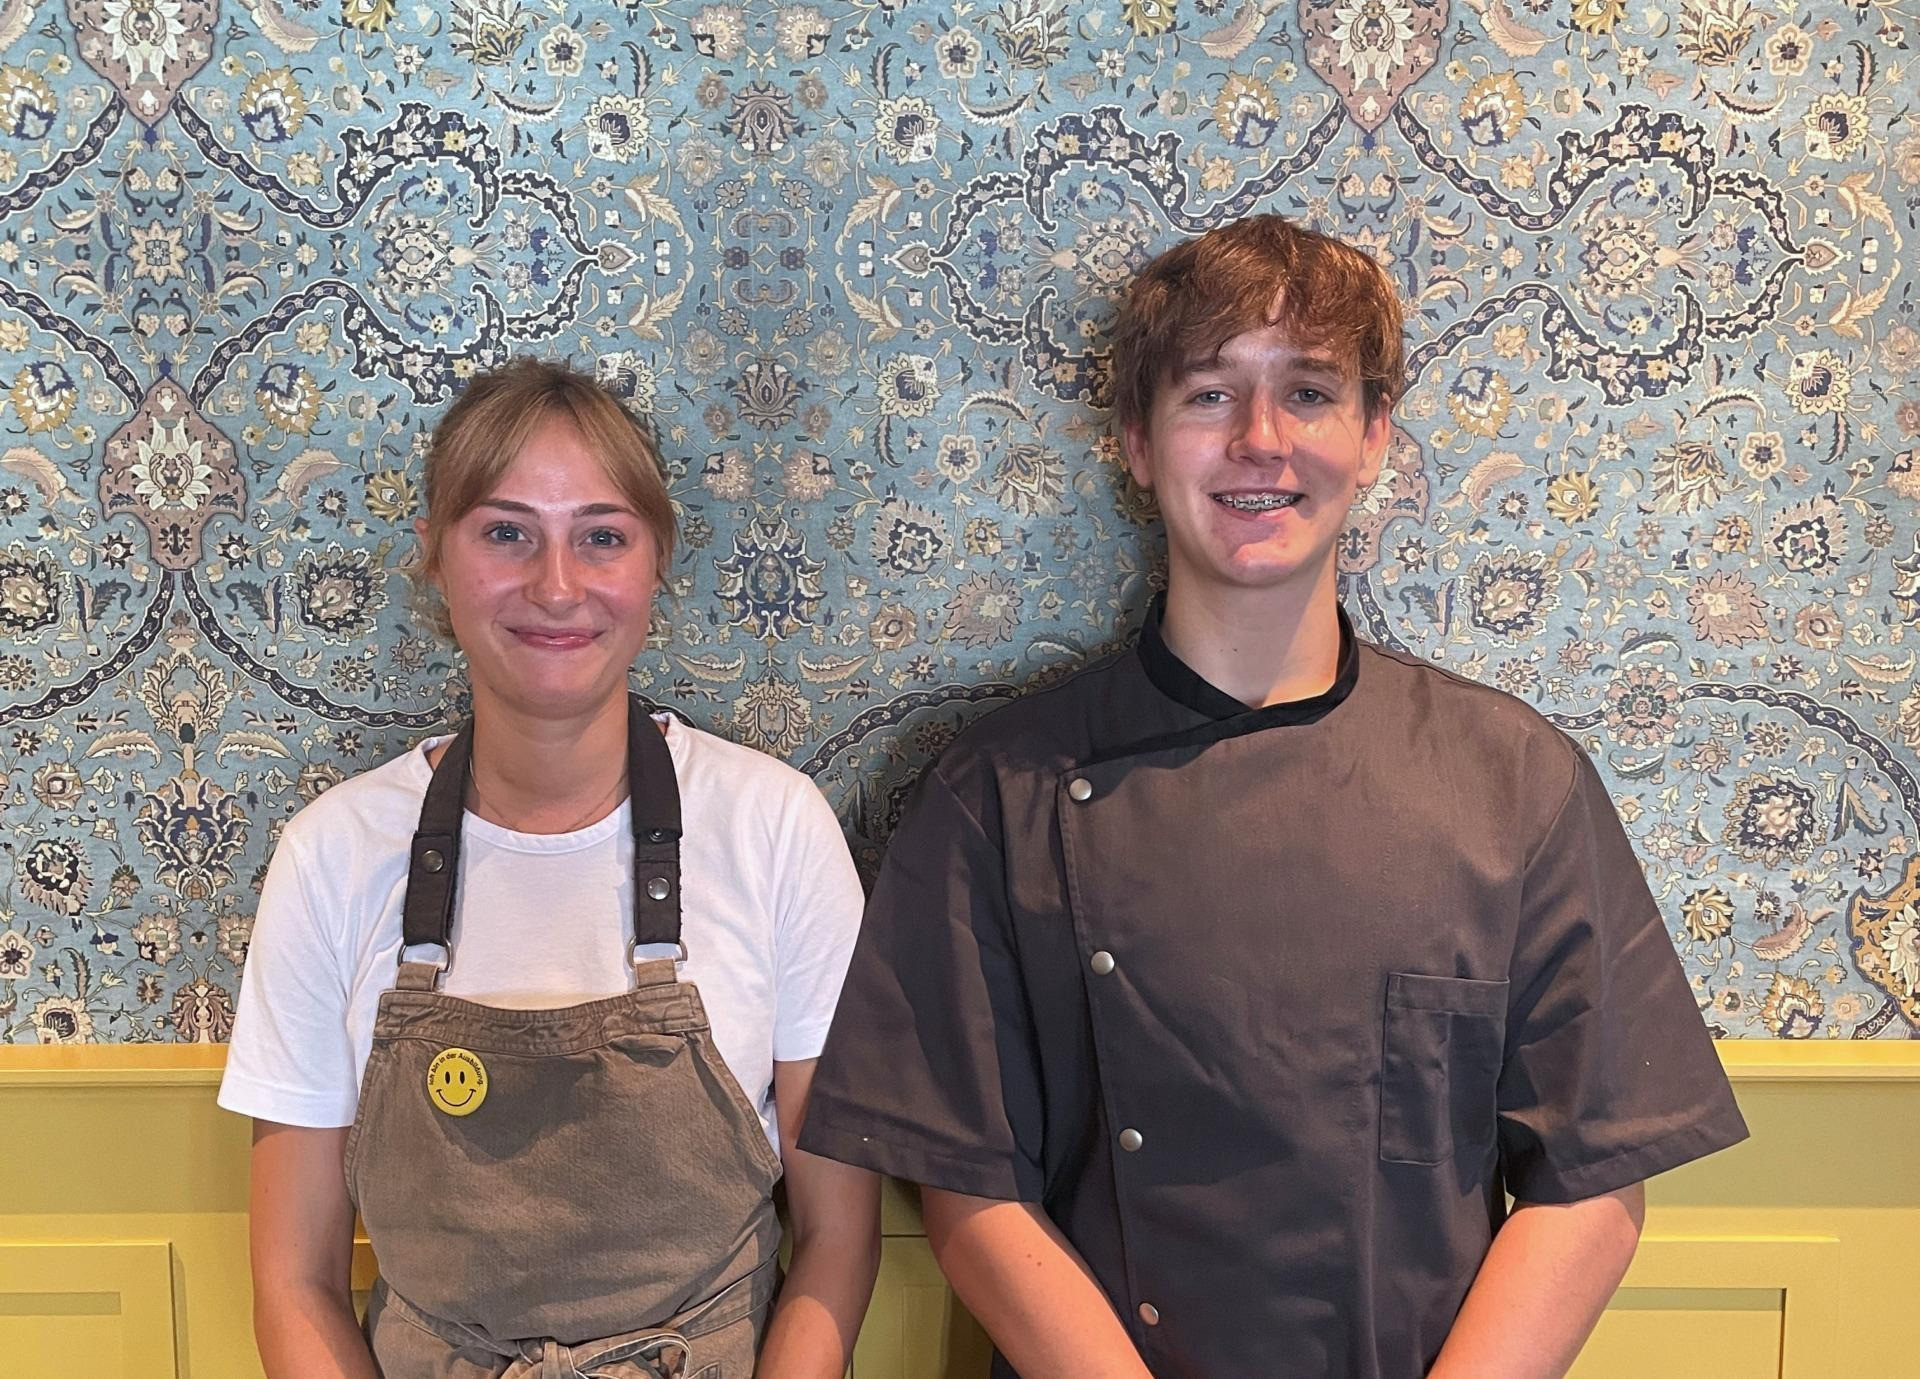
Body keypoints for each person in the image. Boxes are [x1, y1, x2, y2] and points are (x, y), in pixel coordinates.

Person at [796, 216, 1749, 1379]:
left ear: (1374, 437)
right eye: (1208, 395)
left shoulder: (1518, 783)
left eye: (1308, 391)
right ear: (1137, 445)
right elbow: (968, 1187)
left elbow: (1591, 1185)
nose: (1260, 441)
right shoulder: (998, 789)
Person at [220, 359, 880, 1378]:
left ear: (656, 560)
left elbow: (837, 1241)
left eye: (602, 536)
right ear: (434, 557)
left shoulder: (774, 829)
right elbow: (294, 1279)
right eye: (506, 531)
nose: (557, 584)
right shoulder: (333, 855)